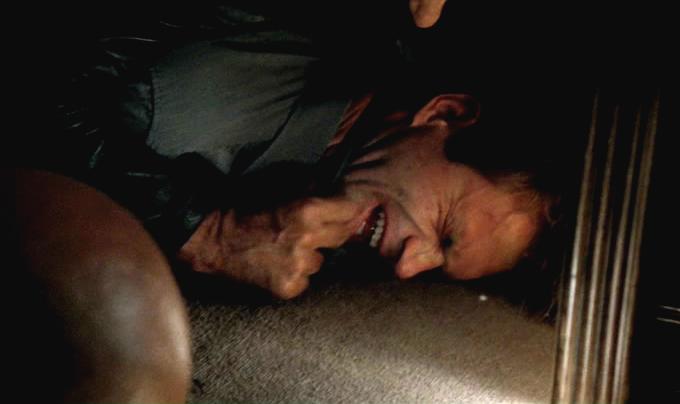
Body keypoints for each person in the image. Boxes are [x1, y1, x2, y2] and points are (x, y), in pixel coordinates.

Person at [4, 1, 563, 402]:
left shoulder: (321, 254)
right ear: (444, 114)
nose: (407, 266)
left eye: (436, 269)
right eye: (444, 232)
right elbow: (33, 78)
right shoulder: (303, 29)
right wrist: (204, 230)